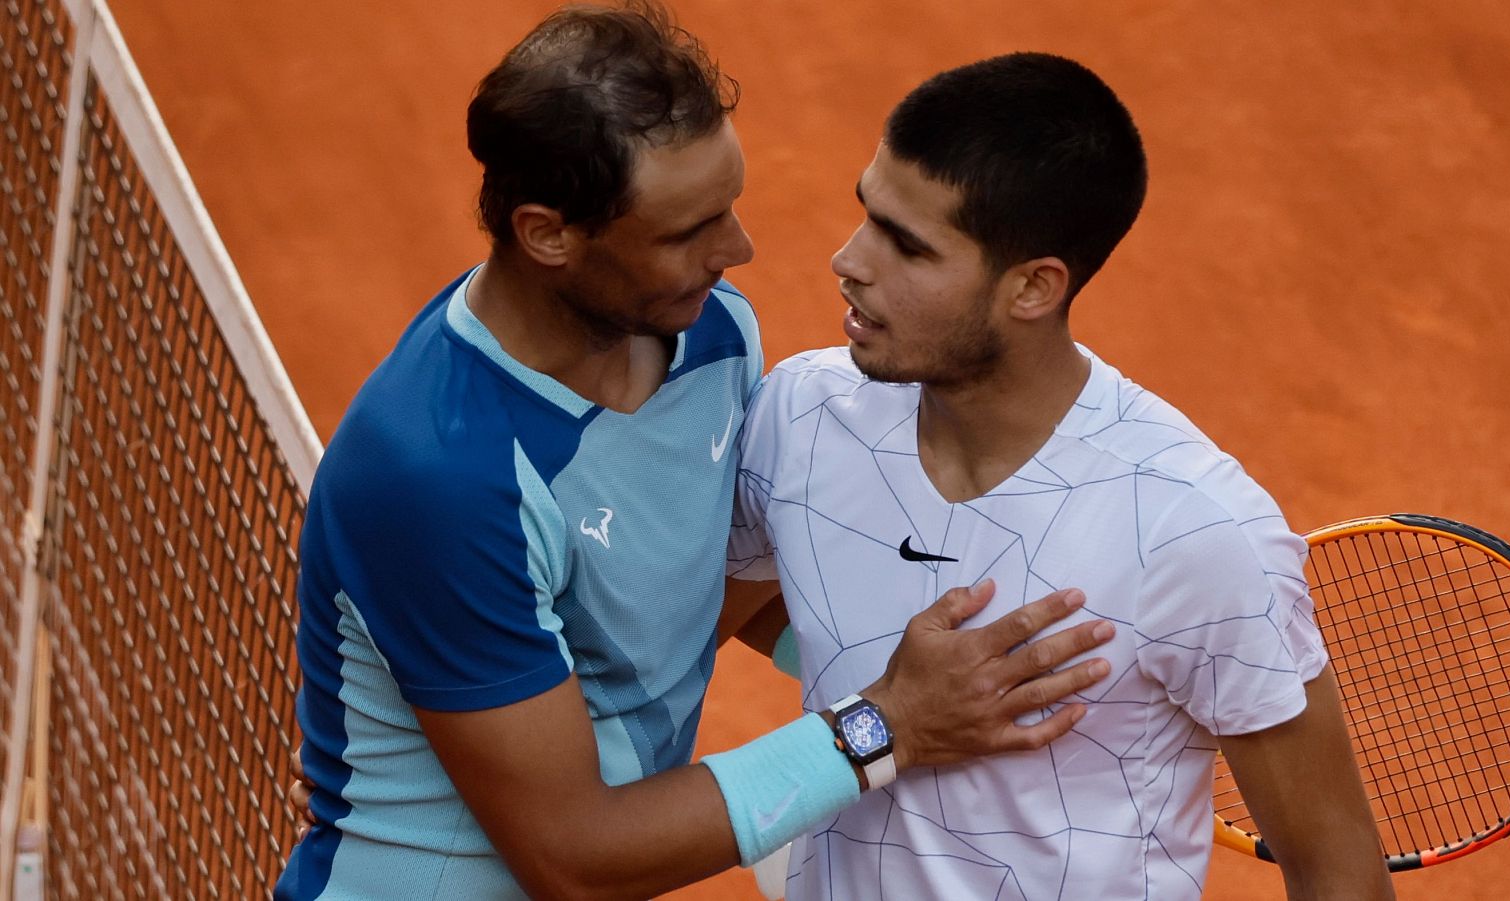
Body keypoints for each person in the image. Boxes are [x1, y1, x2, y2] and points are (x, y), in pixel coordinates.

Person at [274, 5, 1116, 899]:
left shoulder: (710, 335)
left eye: (729, 207)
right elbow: (574, 857)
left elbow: (694, 597)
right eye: (687, 232)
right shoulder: (438, 476)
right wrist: (887, 722)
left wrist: (977, 682)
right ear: (548, 234)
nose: (739, 250)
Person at [722, 54, 1395, 900]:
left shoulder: (1195, 531)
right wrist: (903, 699)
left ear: (1034, 287)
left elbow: (1339, 871)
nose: (849, 259)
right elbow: (705, 628)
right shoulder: (802, 416)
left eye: (908, 246)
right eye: (868, 213)